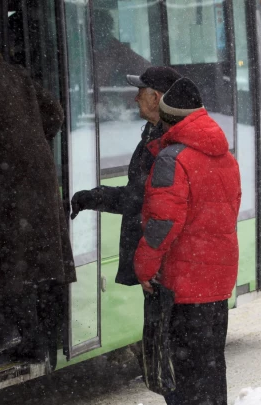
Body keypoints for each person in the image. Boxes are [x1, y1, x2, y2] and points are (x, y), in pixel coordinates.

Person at [134, 78, 241, 405]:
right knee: (210, 364)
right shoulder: (225, 157)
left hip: (184, 282)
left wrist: (144, 268)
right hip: (218, 280)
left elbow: (161, 224)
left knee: (185, 374)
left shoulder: (172, 160)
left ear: (167, 116)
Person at [0, 38, 76, 367]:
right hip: (38, 179)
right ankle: (37, 338)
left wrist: (7, 150)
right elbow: (56, 113)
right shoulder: (16, 76)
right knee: (33, 264)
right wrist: (31, 137)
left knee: (8, 262)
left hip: (9, 184)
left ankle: (19, 338)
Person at [71, 66, 181, 286]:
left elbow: (164, 213)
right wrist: (93, 197)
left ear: (155, 98)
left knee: (160, 320)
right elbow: (139, 196)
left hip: (165, 272)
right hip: (160, 270)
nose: (135, 98)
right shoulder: (153, 136)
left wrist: (152, 264)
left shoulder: (168, 144)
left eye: (140, 92)